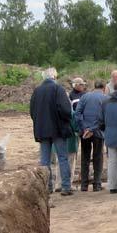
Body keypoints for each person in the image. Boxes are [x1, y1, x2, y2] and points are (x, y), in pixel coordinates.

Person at [29, 67, 74, 195]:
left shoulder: (37, 91)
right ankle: (65, 187)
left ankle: (46, 187)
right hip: (58, 129)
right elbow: (66, 110)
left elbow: (32, 111)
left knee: (44, 160)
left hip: (42, 130)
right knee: (62, 158)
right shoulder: (58, 89)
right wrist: (66, 120)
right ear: (54, 76)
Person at [76, 79, 108, 191]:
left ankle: (84, 185)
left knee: (85, 156)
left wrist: (85, 128)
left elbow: (77, 113)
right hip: (98, 131)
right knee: (98, 157)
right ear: (104, 88)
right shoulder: (105, 98)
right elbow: (104, 118)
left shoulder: (85, 97)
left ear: (94, 87)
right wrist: (92, 129)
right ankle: (97, 184)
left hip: (85, 132)